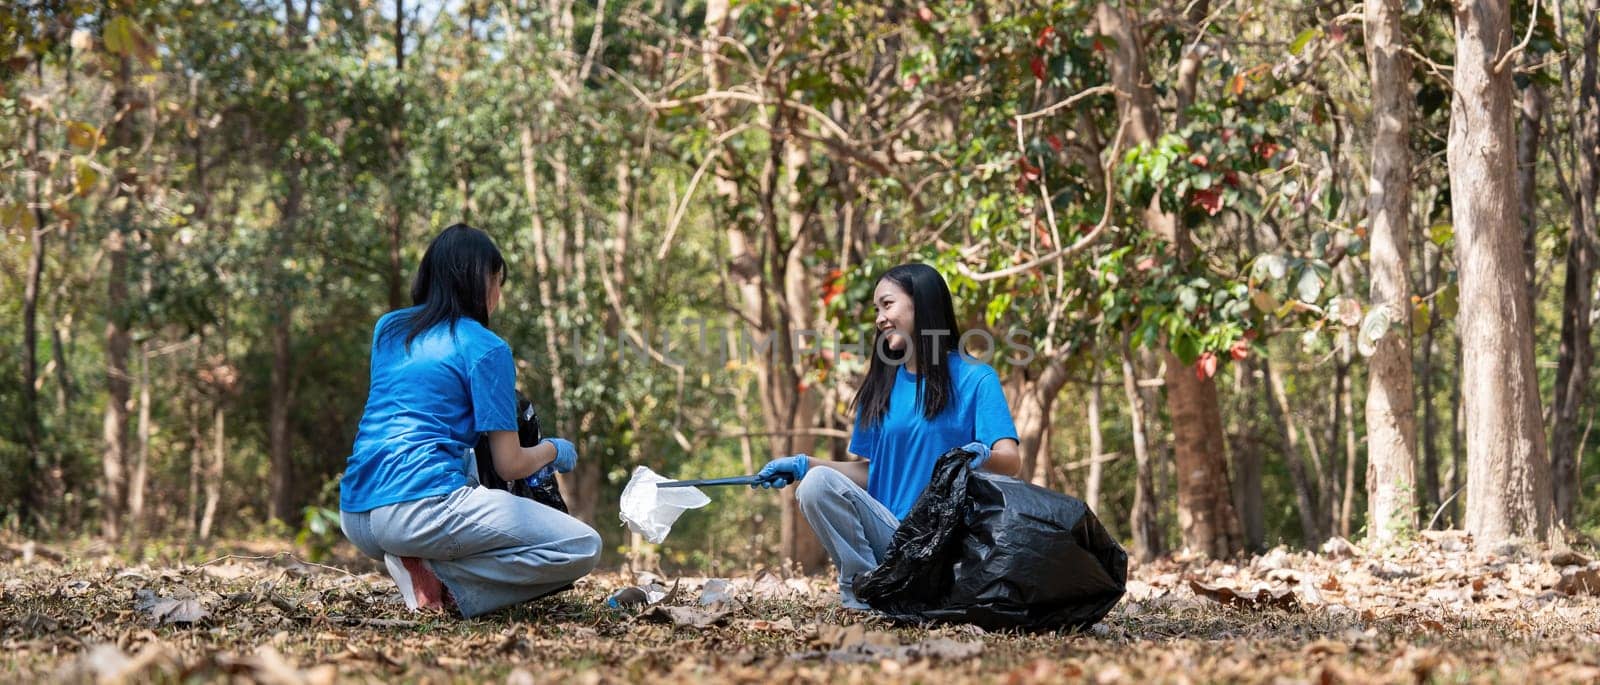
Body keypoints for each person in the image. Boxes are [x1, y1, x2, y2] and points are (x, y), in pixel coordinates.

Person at [339, 223, 601, 617]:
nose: (498, 294)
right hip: (416, 509)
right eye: (498, 281)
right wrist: (553, 450)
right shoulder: (485, 347)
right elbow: (509, 463)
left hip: (357, 510)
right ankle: (442, 579)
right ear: (482, 283)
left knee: (461, 446)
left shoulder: (389, 329)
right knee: (581, 546)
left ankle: (420, 564)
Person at [754, 263, 1021, 610]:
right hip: (891, 539)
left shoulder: (975, 378)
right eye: (877, 310)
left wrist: (978, 455)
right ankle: (868, 591)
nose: (880, 318)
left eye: (888, 304)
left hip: (944, 545)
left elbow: (1012, 462)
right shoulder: (882, 385)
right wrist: (804, 465)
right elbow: (872, 472)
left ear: (921, 304)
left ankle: (885, 592)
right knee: (815, 485)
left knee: (818, 482)